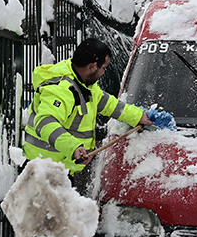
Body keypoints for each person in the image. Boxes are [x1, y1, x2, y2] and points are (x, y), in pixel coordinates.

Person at [23, 38, 164, 182]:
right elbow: (45, 122)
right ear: (93, 66)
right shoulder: (62, 89)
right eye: (104, 68)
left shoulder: (84, 84)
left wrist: (140, 116)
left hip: (59, 169)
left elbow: (108, 104)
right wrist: (74, 148)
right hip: (41, 173)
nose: (104, 72)